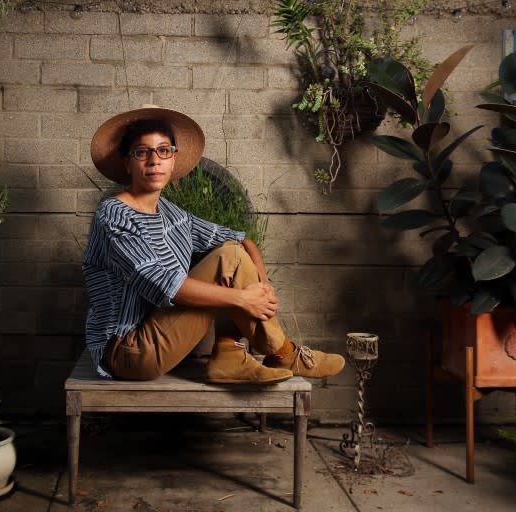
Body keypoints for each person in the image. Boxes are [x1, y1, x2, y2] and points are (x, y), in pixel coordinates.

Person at [82, 105, 345, 384]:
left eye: (163, 150)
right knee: (229, 259)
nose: (154, 160)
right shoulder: (114, 214)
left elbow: (241, 239)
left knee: (234, 251)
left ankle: (231, 356)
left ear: (173, 160)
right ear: (128, 162)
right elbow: (163, 285)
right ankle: (283, 352)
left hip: (162, 333)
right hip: (128, 351)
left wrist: (263, 287)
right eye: (142, 152)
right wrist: (244, 299)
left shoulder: (173, 215)